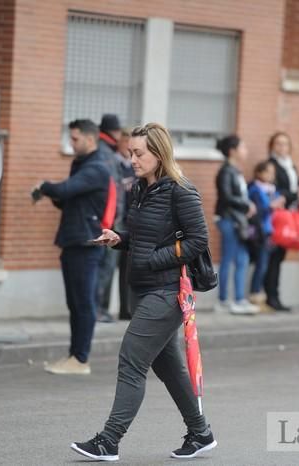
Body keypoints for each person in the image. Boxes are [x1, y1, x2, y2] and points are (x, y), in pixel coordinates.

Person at [71, 123, 216, 462]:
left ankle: (109, 441)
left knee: (131, 361)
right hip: (144, 289)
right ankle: (201, 433)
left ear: (159, 153)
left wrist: (155, 258)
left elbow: (198, 240)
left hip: (167, 292)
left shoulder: (181, 190)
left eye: (139, 153)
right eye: (130, 153)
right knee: (169, 369)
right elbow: (146, 236)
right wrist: (120, 238)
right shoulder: (139, 189)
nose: (132, 159)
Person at [36, 119, 111, 375]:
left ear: (91, 139)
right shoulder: (81, 164)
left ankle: (80, 359)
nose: (71, 142)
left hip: (86, 243)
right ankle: (73, 356)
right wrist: (55, 195)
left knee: (84, 302)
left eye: (76, 138)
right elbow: (71, 200)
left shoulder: (97, 168)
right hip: (73, 240)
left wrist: (45, 187)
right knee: (74, 303)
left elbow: (66, 190)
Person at [214, 135, 259, 315]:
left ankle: (239, 299)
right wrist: (246, 204)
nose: (246, 151)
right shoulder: (226, 171)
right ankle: (223, 300)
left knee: (242, 259)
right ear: (233, 151)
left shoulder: (235, 170)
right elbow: (226, 197)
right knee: (229, 259)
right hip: (228, 220)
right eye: (243, 147)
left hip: (238, 221)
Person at [264, 131, 299, 311]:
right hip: (278, 217)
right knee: (273, 257)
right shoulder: (271, 165)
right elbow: (277, 189)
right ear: (272, 146)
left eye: (285, 144)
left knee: (279, 257)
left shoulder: (290, 165)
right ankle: (270, 296)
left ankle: (275, 296)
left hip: (290, 215)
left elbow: (297, 184)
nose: (282, 147)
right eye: (278, 144)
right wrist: (295, 194)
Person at [96, 114, 125, 323]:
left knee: (105, 267)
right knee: (105, 267)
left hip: (108, 220)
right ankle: (98, 309)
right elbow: (112, 190)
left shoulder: (103, 151)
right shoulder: (106, 154)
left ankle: (100, 309)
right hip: (109, 221)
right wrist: (112, 220)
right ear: (113, 132)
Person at [247, 161, 284, 307]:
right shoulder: (255, 189)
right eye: (267, 172)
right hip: (260, 231)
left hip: (271, 230)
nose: (271, 175)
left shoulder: (272, 189)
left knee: (266, 265)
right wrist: (272, 205)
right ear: (259, 173)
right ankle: (255, 296)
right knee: (261, 265)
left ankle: (260, 297)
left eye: (272, 172)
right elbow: (259, 210)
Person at [116, 128, 135, 321]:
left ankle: (127, 308)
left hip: (131, 222)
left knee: (128, 268)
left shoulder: (134, 166)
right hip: (117, 222)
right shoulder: (116, 164)